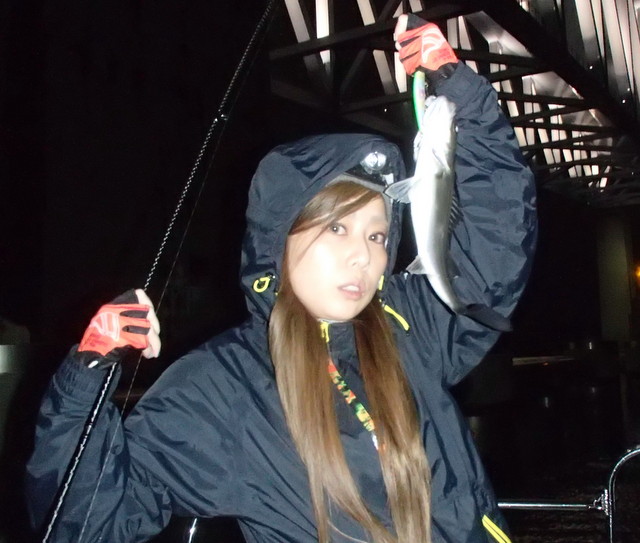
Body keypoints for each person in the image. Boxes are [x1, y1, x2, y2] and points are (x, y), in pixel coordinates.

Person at [26, 15, 537, 543]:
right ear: (279, 238)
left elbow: (496, 253)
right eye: (336, 228)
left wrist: (465, 100)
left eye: (378, 235)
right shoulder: (221, 386)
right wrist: (85, 385)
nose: (363, 256)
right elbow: (89, 524)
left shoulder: (411, 325)